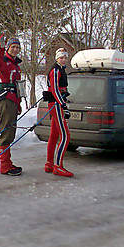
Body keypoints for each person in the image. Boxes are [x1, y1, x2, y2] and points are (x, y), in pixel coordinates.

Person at [0, 36, 23, 176]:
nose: (15, 49)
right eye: (13, 47)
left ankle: (8, 163)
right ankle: (4, 166)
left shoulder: (15, 65)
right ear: (8, 48)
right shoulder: (4, 61)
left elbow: (18, 86)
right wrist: (1, 49)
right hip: (5, 100)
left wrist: (19, 103)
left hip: (13, 100)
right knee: (6, 132)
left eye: (17, 47)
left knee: (10, 132)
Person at [45, 48, 73, 177]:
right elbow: (55, 90)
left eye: (65, 57)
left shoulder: (61, 70)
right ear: (56, 58)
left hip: (57, 103)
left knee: (54, 134)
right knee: (65, 136)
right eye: (61, 57)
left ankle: (49, 163)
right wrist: (63, 105)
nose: (63, 59)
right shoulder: (55, 70)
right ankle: (58, 166)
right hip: (56, 104)